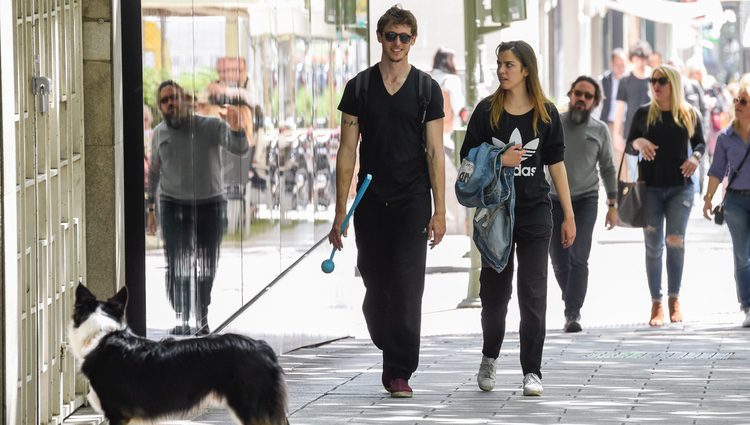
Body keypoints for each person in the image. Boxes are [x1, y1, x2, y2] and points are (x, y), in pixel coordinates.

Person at [329, 5, 446, 399]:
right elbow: (347, 152)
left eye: (405, 37)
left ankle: (399, 371)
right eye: (391, 36)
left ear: (413, 41)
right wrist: (339, 211)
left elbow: (434, 151)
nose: (397, 43)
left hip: (413, 199)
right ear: (379, 37)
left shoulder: (427, 89)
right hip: (371, 200)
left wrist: (440, 210)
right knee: (377, 284)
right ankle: (383, 330)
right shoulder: (359, 88)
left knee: (408, 286)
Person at [460, 40, 576, 396]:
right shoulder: (486, 112)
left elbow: (555, 164)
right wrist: (498, 159)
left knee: (533, 292)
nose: (502, 70)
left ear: (526, 69)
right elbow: (468, 160)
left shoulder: (547, 114)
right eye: (499, 64)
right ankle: (490, 357)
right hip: (496, 213)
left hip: (536, 213)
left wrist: (569, 215)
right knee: (495, 294)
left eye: (509, 64)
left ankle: (532, 370)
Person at [147, 80, 250, 336]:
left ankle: (202, 315)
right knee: (177, 263)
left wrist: (237, 128)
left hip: (209, 205)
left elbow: (240, 148)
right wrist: (150, 208)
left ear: (185, 100)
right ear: (160, 106)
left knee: (206, 263)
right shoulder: (159, 133)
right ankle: (181, 316)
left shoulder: (211, 126)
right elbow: (155, 174)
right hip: (172, 206)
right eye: (164, 100)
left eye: (174, 97)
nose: (170, 103)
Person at [625, 65, 705, 327]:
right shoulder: (644, 114)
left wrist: (695, 157)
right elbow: (630, 143)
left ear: (673, 84)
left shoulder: (689, 114)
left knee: (674, 240)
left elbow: (701, 143)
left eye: (661, 81)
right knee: (652, 245)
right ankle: (656, 302)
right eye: (652, 81)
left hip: (680, 188)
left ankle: (674, 298)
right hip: (649, 189)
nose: (655, 85)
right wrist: (640, 143)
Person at [549, 76, 617, 333]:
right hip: (553, 199)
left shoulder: (600, 130)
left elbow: (608, 168)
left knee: (579, 257)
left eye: (588, 96)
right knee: (558, 259)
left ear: (595, 102)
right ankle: (571, 301)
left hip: (586, 199)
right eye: (578, 93)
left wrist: (613, 203)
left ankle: (572, 312)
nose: (582, 99)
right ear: (570, 94)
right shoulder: (555, 123)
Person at [703, 81, 750, 328]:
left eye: (744, 101)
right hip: (735, 202)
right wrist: (708, 198)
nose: (737, 105)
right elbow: (717, 170)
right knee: (742, 255)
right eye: (736, 100)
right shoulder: (726, 138)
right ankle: (748, 306)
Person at [613, 41, 653, 180]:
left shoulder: (654, 78)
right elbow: (619, 109)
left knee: (651, 173)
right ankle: (638, 201)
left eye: (642, 59)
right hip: (632, 132)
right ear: (632, 59)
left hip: (653, 131)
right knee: (634, 173)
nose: (640, 62)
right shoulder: (625, 80)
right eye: (636, 59)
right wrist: (616, 134)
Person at [430, 47, 466, 154]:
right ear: (448, 61)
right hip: (448, 133)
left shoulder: (426, 78)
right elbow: (458, 106)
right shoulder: (452, 80)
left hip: (428, 132)